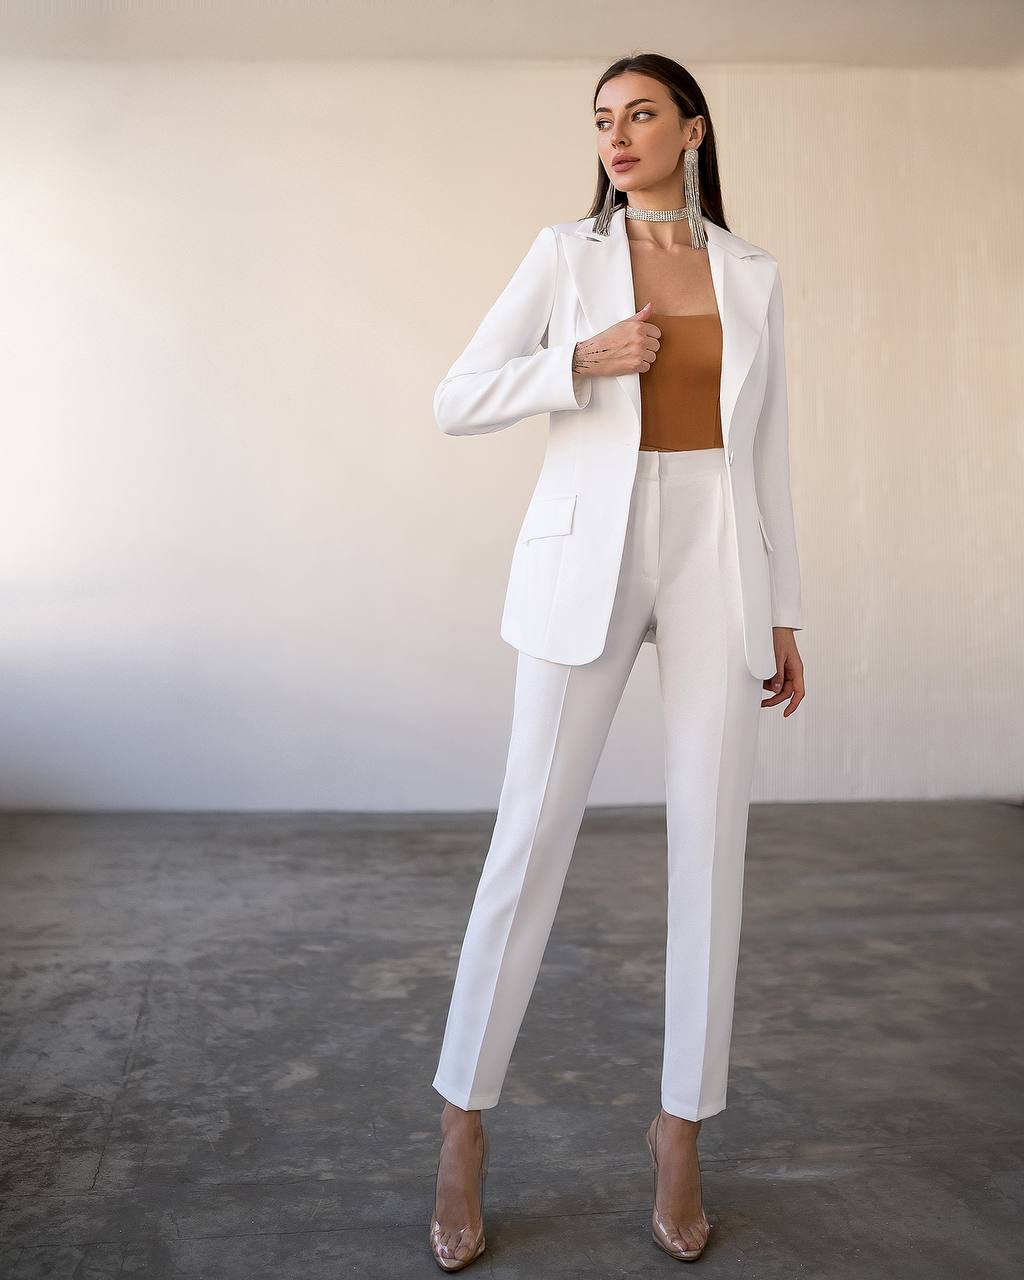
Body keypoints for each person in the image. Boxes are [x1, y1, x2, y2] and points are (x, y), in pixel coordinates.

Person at [427, 52, 806, 1271]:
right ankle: (462, 1125)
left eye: (640, 112)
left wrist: (785, 609)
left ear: (692, 127)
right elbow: (456, 395)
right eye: (602, 119)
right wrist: (575, 363)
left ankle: (681, 1128)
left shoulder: (753, 273)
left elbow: (769, 456)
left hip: (716, 552)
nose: (618, 134)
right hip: (584, 552)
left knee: (710, 851)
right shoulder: (564, 255)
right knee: (527, 839)